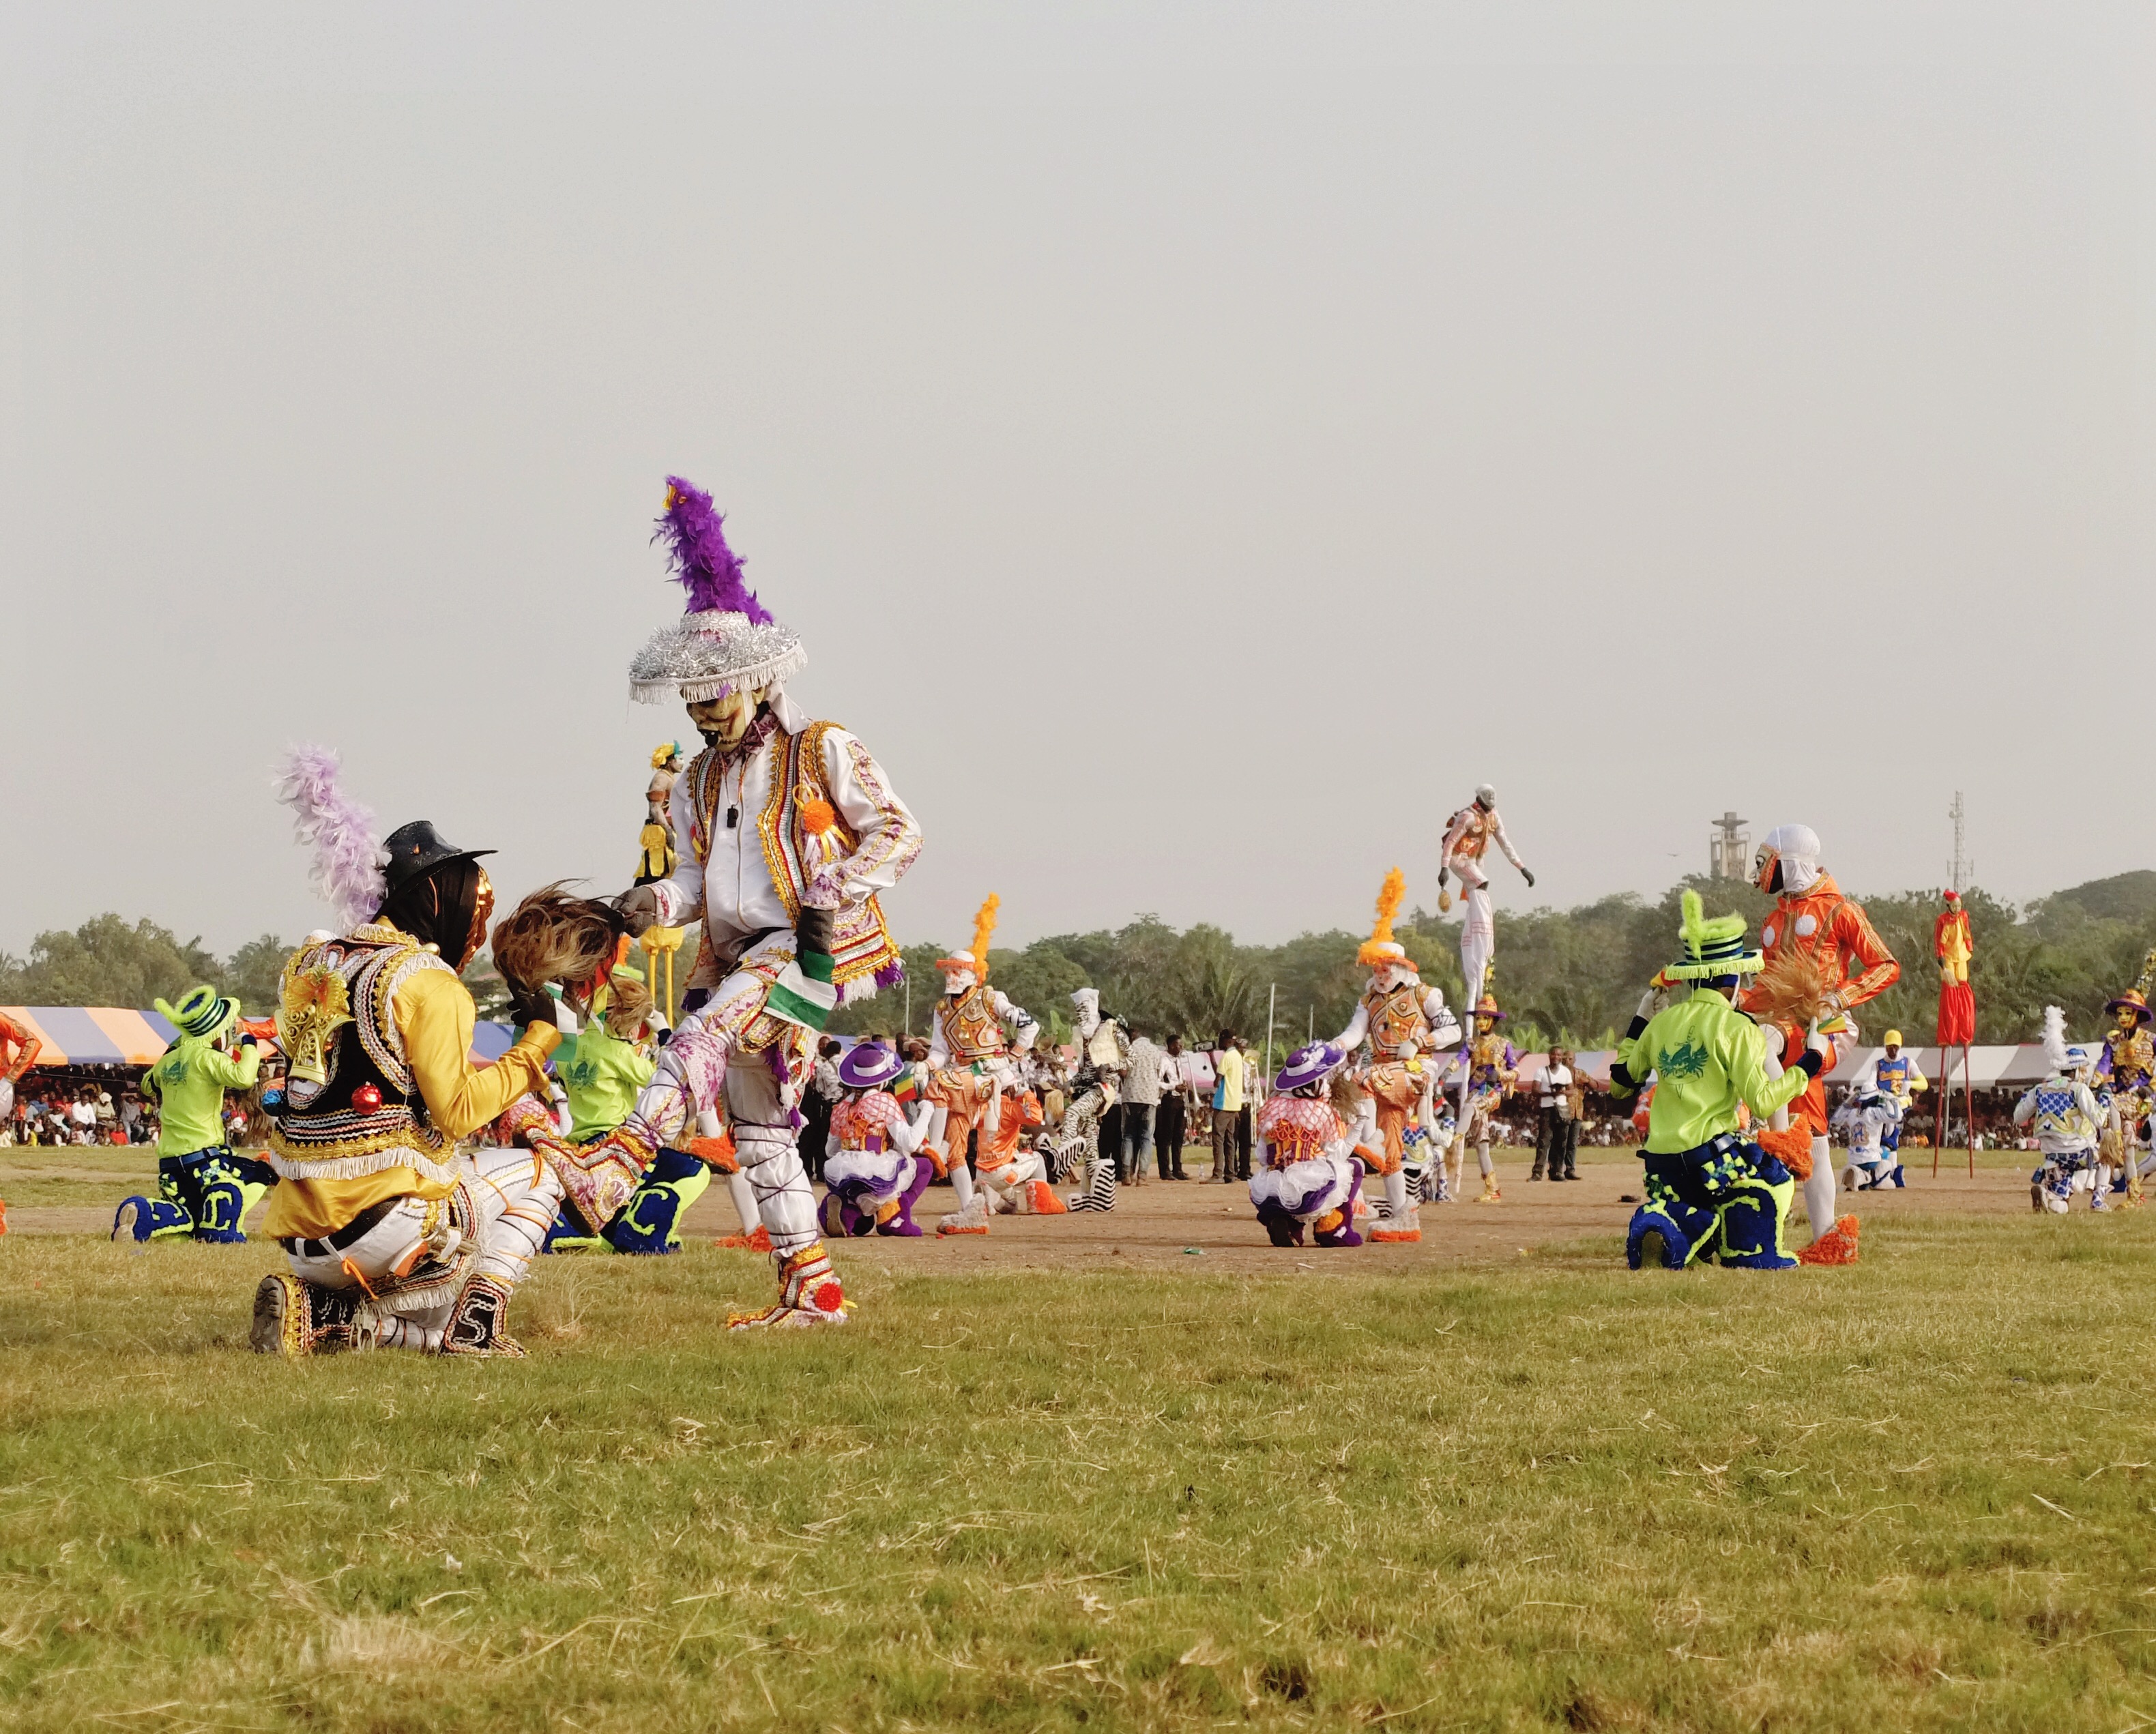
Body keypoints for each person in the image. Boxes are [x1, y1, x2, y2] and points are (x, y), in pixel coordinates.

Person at [604, 477, 922, 1325]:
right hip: (736, 954)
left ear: (753, 678)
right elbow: (695, 879)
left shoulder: (823, 748)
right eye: (692, 694)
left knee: (702, 1035)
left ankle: (616, 1161)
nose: (702, 707)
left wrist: (831, 888)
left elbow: (898, 831)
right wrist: (650, 904)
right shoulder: (699, 779)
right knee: (758, 1127)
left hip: (808, 948)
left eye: (715, 690)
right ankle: (811, 1288)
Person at [248, 767, 567, 1357]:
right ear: (440, 901)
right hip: (386, 1230)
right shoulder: (426, 980)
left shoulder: (312, 964)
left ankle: (322, 1312)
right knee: (544, 1174)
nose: (474, 924)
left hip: (301, 1237)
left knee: (432, 1281)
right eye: (474, 904)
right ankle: (472, 1332)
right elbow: (457, 1113)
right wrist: (537, 1043)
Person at [1609, 891, 1829, 1269]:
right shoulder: (1736, 1027)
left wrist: (1640, 1019)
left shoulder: (1661, 1024)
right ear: (1732, 978)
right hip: (1709, 1160)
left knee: (1682, 1205)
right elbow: (1762, 1102)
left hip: (1659, 1163)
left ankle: (1668, 1224)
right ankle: (1747, 1250)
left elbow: (1620, 1084)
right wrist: (1809, 1064)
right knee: (1774, 1176)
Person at [1739, 823, 1899, 1260]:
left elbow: (1886, 966)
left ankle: (1774, 1133)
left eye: (1764, 861)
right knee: (1814, 1133)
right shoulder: (1772, 919)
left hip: (1825, 1025)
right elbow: (1767, 987)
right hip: (1783, 1022)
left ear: (1787, 863)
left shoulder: (1842, 910)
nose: (1758, 872)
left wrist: (1838, 996)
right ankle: (1827, 1237)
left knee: (1764, 1041)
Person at [1329, 869, 1461, 1240]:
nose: (1381, 973)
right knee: (1391, 1150)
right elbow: (1353, 1035)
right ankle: (1405, 1218)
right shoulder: (1368, 1000)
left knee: (1362, 1079)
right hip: (1385, 1074)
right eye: (1376, 967)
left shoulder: (1425, 995)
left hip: (1416, 1070)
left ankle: (1367, 1142)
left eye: (1386, 967)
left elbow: (1454, 1031)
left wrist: (1421, 1043)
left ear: (1401, 967)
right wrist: (1331, 1048)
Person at [112, 986, 271, 1245]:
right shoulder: (208, 1058)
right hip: (206, 1158)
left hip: (170, 1162)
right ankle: (220, 1231)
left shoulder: (168, 1062)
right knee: (255, 1175)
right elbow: (244, 1078)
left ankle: (144, 1214)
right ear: (217, 1033)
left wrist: (174, 1048)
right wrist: (249, 1044)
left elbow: (146, 1085)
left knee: (184, 1216)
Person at [922, 896, 1039, 1235]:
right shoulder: (942, 1008)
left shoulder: (991, 998)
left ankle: (933, 1144)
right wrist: (926, 1065)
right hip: (960, 1075)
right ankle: (969, 1210)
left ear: (971, 973)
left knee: (943, 1085)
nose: (951, 975)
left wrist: (1015, 1055)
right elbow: (939, 1049)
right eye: (949, 970)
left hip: (991, 1075)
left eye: (957, 970)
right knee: (958, 1150)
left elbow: (1030, 1025)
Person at [1250, 1042, 1367, 1248]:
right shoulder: (1321, 1111)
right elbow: (1338, 1155)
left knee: (1298, 1172)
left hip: (1270, 1189)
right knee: (1354, 1168)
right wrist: (1358, 1126)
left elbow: (1261, 1154)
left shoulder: (1270, 1107)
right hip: (1307, 1190)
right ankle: (1332, 1230)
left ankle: (1290, 1227)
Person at [819, 1041, 936, 1237]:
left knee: (858, 1207)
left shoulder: (840, 1108)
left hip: (843, 1170)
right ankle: (893, 1216)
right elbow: (910, 1142)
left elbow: (830, 1151)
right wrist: (927, 1111)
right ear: (882, 1080)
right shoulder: (884, 1101)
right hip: (879, 1167)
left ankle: (846, 1216)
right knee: (924, 1166)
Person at [1437, 784, 1534, 1014]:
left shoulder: (1493, 817)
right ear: (1479, 799)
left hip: (1476, 860)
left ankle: (1478, 920)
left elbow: (1505, 843)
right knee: (1481, 884)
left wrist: (1522, 868)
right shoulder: (1467, 817)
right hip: (1459, 859)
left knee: (1479, 885)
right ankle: (1480, 922)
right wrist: (1444, 869)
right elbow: (1450, 842)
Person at [2016, 1008, 2109, 1214]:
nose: (2086, 1074)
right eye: (2084, 1070)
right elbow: (2100, 1120)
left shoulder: (2040, 1088)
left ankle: (2049, 1195)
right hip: (2080, 1153)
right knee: (2107, 1156)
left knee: (2061, 1204)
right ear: (2077, 1071)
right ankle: (2098, 1200)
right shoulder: (2078, 1088)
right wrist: (2105, 1098)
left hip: (2052, 1155)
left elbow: (2018, 1117)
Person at [1058, 988, 1131, 1211]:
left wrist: (1109, 1067)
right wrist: (1070, 1082)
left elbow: (1130, 1061)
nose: (1080, 1014)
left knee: (1071, 1113)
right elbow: (1084, 1070)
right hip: (1087, 1086)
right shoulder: (1081, 1035)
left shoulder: (1112, 1029)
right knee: (1091, 1143)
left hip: (1104, 1088)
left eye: (1083, 1009)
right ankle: (1099, 1196)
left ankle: (1061, 1155)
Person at [1450, 996, 1518, 1203]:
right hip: (1475, 1089)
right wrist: (1446, 1074)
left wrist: (1502, 1075)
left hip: (1492, 1091)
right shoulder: (1472, 1043)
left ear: (1493, 1021)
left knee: (1471, 1107)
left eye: (1485, 1018)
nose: (1481, 1022)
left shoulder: (1504, 1044)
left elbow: (1515, 1071)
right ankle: (1493, 1188)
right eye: (1478, 1018)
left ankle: (1456, 1136)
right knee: (1481, 1144)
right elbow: (1460, 1059)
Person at [2096, 978, 2155, 1205]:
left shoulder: (2152, 1041)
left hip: (2140, 1097)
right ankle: (2135, 1195)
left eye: (2127, 1013)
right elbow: (2104, 1064)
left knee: (2112, 1102)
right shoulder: (2114, 1041)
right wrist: (2096, 1082)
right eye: (2120, 1013)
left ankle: (2116, 1144)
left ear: (2137, 1016)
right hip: (2122, 1097)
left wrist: (2150, 1089)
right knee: (2131, 1154)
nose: (2122, 1018)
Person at [1859, 1031, 1926, 1169]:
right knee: (1876, 1129)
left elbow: (1924, 1084)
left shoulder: (1908, 1063)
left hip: (1901, 1101)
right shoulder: (1878, 1065)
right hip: (1883, 1101)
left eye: (1896, 1047)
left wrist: (1910, 1083)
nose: (1893, 1050)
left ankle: (1892, 1167)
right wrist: (1871, 1090)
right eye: (1890, 1047)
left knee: (1891, 1129)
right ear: (1885, 1047)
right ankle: (1880, 1164)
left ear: (1900, 1047)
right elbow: (1871, 1081)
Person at [1119, 1027, 1173, 1185]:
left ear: (1133, 1036)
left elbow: (1123, 1072)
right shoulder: (1155, 1051)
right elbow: (1158, 1073)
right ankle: (1142, 1176)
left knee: (1128, 1136)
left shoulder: (1129, 1049)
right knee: (1146, 1138)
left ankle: (1126, 1174)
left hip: (1131, 1096)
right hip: (1149, 1098)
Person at [1834, 1089, 1904, 1191]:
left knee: (1870, 1159)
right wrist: (1892, 1099)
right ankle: (1872, 1179)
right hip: (1872, 1157)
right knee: (1886, 1156)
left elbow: (1836, 1120)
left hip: (1853, 1158)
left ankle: (1860, 1175)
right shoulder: (1874, 1112)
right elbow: (1896, 1117)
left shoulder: (1852, 1113)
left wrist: (1848, 1102)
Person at [1209, 1029, 1247, 1184]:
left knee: (1218, 1138)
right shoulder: (1238, 1056)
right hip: (1235, 1103)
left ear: (1227, 1041)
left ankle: (1218, 1173)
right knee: (1230, 1139)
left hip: (1223, 1102)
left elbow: (1217, 1081)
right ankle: (1230, 1173)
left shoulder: (1227, 1056)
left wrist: (1211, 1057)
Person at [1531, 1047, 1573, 1182]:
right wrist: (1549, 1093)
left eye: (1559, 1055)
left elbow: (1572, 1091)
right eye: (1553, 1054)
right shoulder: (1541, 1071)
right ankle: (1537, 1173)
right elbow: (1535, 1090)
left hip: (1562, 1109)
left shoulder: (1566, 1071)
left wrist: (1562, 1092)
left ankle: (1557, 1171)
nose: (1556, 1057)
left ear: (1562, 1057)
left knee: (1561, 1142)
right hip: (1547, 1108)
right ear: (1549, 1056)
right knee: (1544, 1141)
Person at [1155, 1035, 1191, 1179]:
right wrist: (1173, 1087)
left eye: (1181, 1045)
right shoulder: (1164, 1061)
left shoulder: (1179, 1061)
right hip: (1168, 1100)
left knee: (1179, 1136)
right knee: (1166, 1137)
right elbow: (1157, 1081)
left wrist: (1183, 1086)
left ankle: (1178, 1169)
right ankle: (1165, 1170)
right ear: (1169, 1046)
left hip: (1180, 1100)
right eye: (1177, 1045)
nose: (1180, 1048)